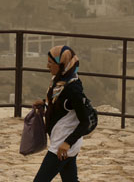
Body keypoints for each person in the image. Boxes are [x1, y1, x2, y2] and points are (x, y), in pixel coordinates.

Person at [33, 45, 91, 182]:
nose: (47, 66)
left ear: (62, 64)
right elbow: (61, 105)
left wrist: (67, 143)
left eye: (51, 63)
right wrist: (44, 103)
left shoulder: (73, 89)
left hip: (62, 146)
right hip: (61, 142)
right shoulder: (60, 81)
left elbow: (85, 122)